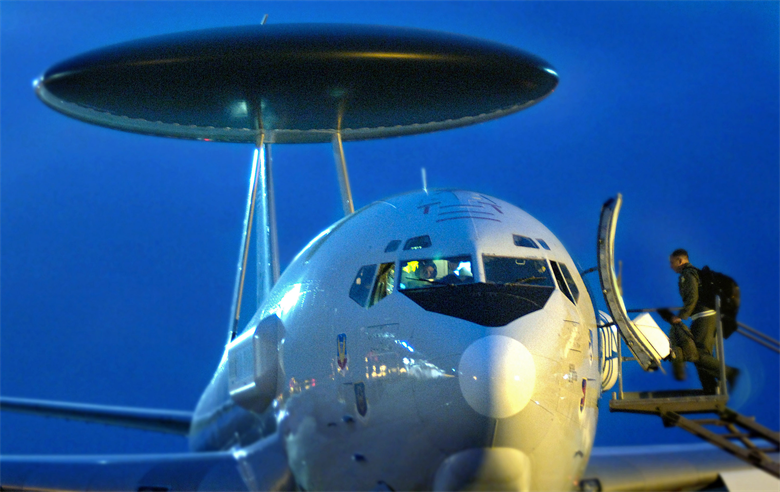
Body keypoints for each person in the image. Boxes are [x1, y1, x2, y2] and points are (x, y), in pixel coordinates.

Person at [669, 249, 739, 393]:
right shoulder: (694, 272)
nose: (671, 266)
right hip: (705, 316)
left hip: (704, 316)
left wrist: (681, 315)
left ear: (680, 261)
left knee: (697, 353)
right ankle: (710, 389)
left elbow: (692, 297)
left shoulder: (688, 274)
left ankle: (730, 373)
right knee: (699, 354)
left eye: (672, 262)